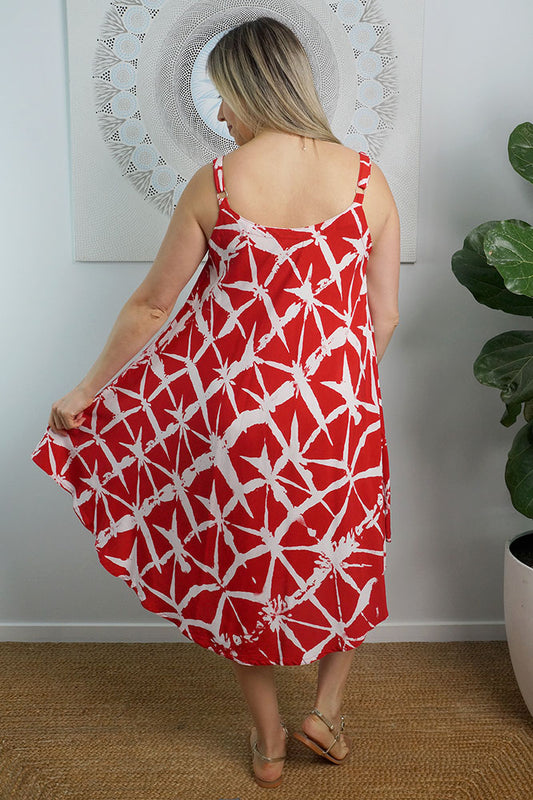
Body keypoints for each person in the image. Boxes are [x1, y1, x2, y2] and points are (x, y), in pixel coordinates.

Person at [32, 16, 400, 790]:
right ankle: (325, 713)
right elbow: (384, 317)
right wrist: (333, 385)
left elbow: (151, 307)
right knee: (349, 553)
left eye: (224, 96)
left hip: (240, 422)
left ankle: (267, 741)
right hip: (338, 415)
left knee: (242, 570)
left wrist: (86, 390)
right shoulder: (368, 180)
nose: (222, 114)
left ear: (253, 89)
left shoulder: (220, 182)